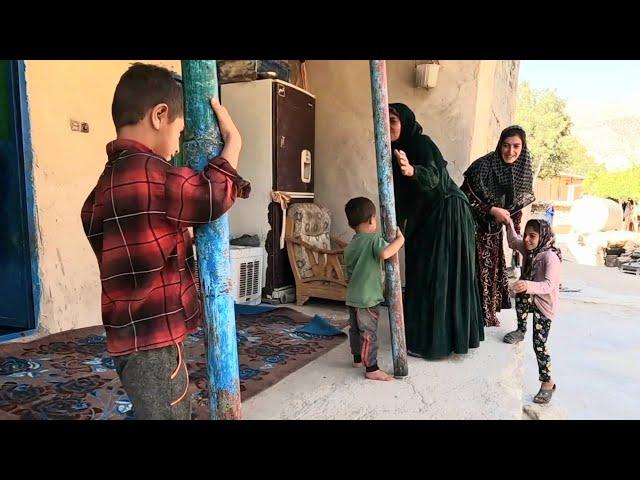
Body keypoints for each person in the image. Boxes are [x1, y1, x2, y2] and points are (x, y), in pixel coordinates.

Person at [80, 63, 250, 419]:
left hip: (127, 337)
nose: (176, 148)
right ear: (159, 115)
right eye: (180, 131)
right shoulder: (154, 177)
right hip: (154, 342)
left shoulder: (103, 185)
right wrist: (233, 144)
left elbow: (95, 226)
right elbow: (212, 195)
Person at [389, 103, 484, 360]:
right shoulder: (393, 150)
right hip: (428, 216)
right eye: (384, 120)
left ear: (405, 122)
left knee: (439, 275)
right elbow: (401, 194)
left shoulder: (420, 144)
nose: (389, 125)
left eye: (394, 120)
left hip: (448, 213)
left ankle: (436, 342)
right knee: (421, 272)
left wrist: (412, 170)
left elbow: (432, 177)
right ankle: (421, 335)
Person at [461, 125, 535, 327]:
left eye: (516, 146)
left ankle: (485, 315)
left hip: (494, 233)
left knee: (489, 271)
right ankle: (469, 319)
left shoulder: (522, 169)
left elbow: (516, 208)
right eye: (506, 145)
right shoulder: (482, 167)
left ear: (523, 147)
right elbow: (463, 198)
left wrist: (517, 238)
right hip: (471, 228)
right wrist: (491, 210)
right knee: (473, 271)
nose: (510, 152)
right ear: (499, 144)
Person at [344, 197, 404, 381]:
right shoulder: (373, 240)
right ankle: (371, 368)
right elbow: (386, 253)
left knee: (355, 330)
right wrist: (401, 239)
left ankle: (356, 359)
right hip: (368, 298)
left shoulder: (351, 244)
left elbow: (348, 272)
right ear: (372, 219)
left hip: (352, 296)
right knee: (369, 333)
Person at [504, 218, 561, 404]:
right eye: (526, 235)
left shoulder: (550, 257)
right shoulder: (531, 250)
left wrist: (526, 284)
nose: (527, 239)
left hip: (544, 305)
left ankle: (547, 382)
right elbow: (513, 241)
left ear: (542, 237)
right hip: (531, 299)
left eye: (532, 236)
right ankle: (521, 330)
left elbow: (548, 285)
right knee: (521, 294)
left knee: (539, 344)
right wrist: (508, 224)